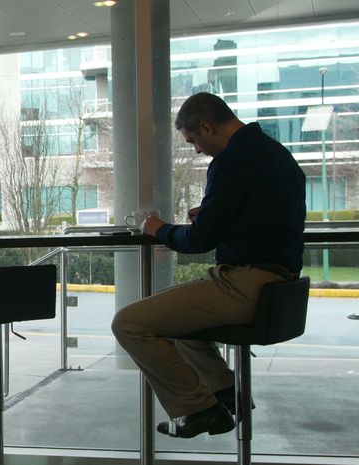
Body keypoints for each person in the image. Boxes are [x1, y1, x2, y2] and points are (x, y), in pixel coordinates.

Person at [111, 92, 306, 439]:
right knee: (179, 326)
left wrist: (157, 229)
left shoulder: (232, 160)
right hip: (279, 283)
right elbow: (267, 219)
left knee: (128, 323)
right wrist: (220, 216)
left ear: (206, 126)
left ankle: (198, 410)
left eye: (194, 140)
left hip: (246, 285)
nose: (197, 149)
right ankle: (227, 391)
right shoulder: (277, 154)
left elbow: (198, 241)